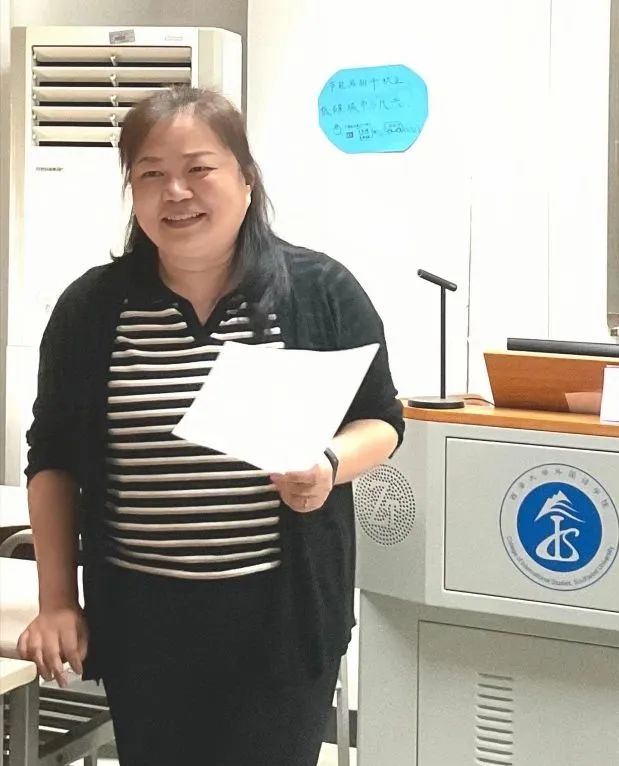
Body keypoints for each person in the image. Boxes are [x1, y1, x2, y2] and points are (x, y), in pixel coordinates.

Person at [16, 86, 404, 765]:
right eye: (151, 174)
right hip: (142, 622)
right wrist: (57, 601)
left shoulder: (318, 291)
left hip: (280, 621)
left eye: (199, 169)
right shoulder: (92, 309)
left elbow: (382, 419)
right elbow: (51, 459)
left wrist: (328, 465)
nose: (176, 192)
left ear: (246, 179)